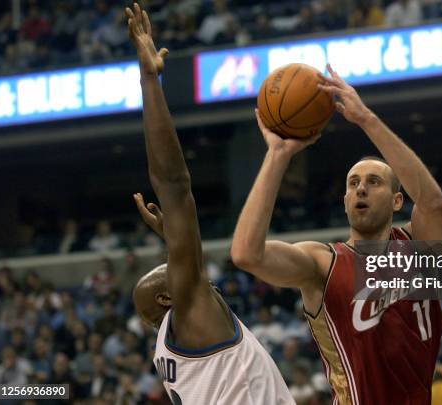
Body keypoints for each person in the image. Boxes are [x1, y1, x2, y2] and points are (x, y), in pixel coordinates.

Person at [231, 63, 442, 404]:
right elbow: (246, 254)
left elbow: (432, 202)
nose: (361, 188)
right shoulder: (322, 263)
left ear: (396, 201)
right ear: (345, 201)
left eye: (373, 182)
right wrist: (277, 156)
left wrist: (366, 120)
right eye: (353, 184)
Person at [125, 3, 293, 404]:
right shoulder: (188, 314)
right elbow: (173, 184)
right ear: (169, 299)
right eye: (172, 269)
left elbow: (193, 262)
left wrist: (173, 237)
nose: (180, 260)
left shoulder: (176, 347)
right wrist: (150, 82)